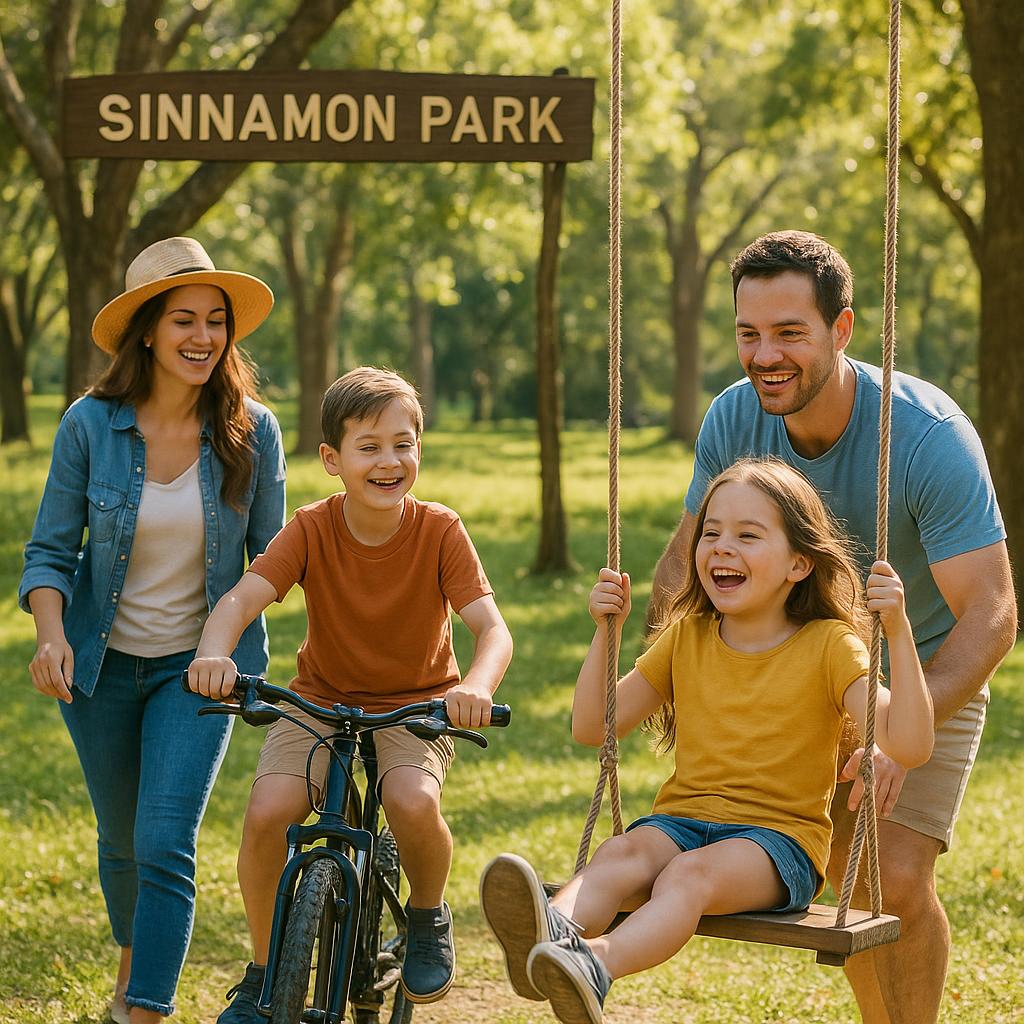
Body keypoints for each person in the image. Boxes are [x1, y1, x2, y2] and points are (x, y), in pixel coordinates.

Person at [648, 231, 1017, 1024]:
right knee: (835, 880)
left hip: (915, 667)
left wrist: (895, 734)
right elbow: (681, 566)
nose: (764, 355)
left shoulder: (924, 437)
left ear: (842, 330)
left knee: (891, 879)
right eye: (749, 333)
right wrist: (664, 679)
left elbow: (990, 614)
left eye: (790, 333)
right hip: (784, 670)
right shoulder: (734, 418)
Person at [480, 457, 934, 1024]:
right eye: (711, 532)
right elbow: (592, 726)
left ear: (799, 562)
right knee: (622, 851)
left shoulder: (830, 646)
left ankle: (593, 966)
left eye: (747, 535)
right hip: (682, 822)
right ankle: (551, 935)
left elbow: (910, 744)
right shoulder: (687, 637)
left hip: (778, 844)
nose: (722, 546)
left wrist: (899, 630)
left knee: (687, 876)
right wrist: (605, 633)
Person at [186, 366, 514, 1023]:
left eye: (404, 443)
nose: (390, 461)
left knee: (410, 798)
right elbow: (241, 600)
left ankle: (426, 914)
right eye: (369, 447)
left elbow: (491, 628)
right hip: (321, 699)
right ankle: (260, 974)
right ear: (333, 459)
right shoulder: (310, 528)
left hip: (418, 702)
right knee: (268, 811)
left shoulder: (439, 530)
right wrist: (212, 653)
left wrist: (474, 686)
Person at [19, 237, 285, 1024]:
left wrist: (224, 642)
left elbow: (272, 560)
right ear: (146, 331)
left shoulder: (252, 430)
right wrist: (50, 633)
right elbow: (49, 550)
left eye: (215, 322)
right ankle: (136, 964)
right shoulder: (89, 425)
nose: (203, 338)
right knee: (122, 842)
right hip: (97, 666)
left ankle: (145, 1011)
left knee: (165, 837)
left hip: (200, 669)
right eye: (183, 322)